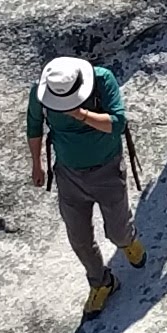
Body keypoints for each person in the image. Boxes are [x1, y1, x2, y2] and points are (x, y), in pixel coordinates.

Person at [28, 55, 142, 315]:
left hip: (107, 170)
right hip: (68, 175)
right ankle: (102, 282)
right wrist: (37, 163)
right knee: (79, 238)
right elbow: (34, 125)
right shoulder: (41, 91)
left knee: (117, 232)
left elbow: (117, 123)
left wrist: (79, 113)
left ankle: (129, 240)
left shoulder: (102, 80)